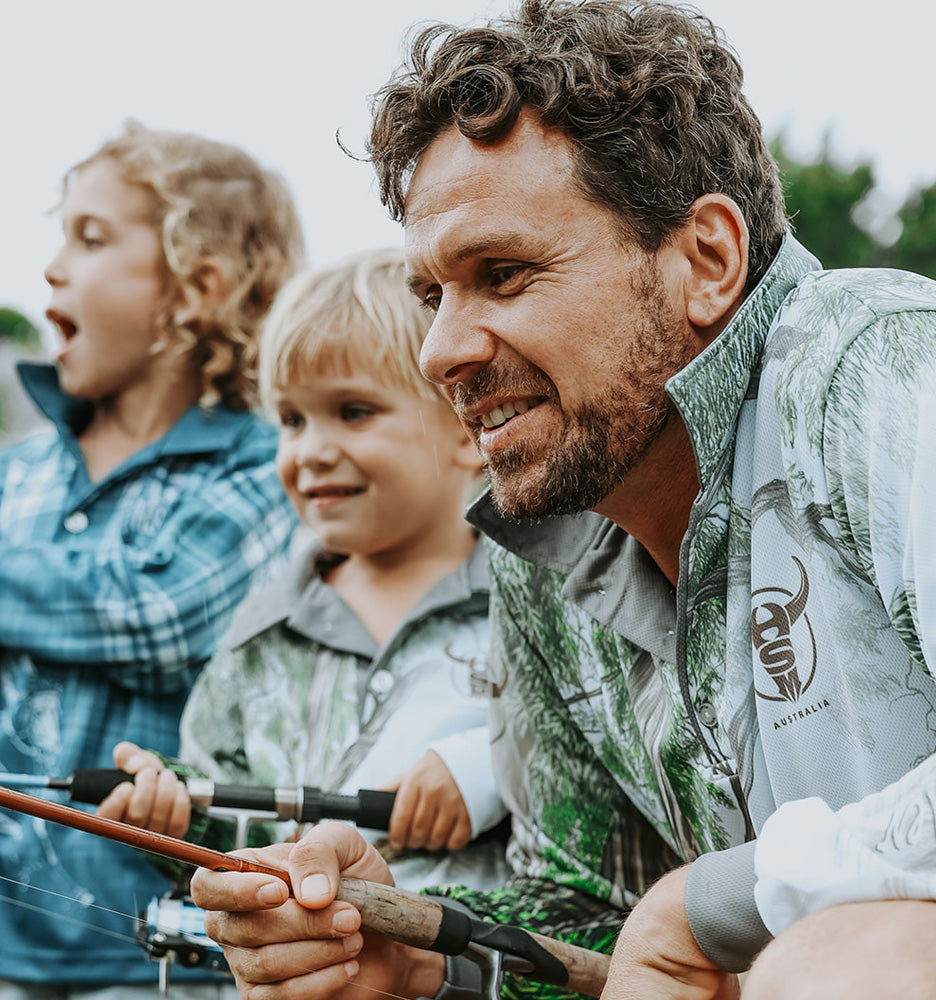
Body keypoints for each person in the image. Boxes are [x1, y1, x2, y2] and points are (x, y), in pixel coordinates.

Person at [187, 2, 936, 999]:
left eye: (502, 274)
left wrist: (719, 900)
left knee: (835, 960)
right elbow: (594, 906)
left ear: (705, 260)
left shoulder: (876, 366)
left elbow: (698, 927)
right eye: (431, 295)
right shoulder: (543, 528)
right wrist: (419, 959)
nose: (440, 352)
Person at [0, 123, 304, 999]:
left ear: (198, 288)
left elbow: (162, 611)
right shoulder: (12, 473)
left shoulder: (257, 468)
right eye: (60, 236)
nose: (55, 267)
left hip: (154, 944)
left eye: (92, 238)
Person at [98, 248, 509, 898]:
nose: (311, 452)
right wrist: (182, 823)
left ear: (466, 429)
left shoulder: (535, 606)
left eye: (353, 411)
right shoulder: (260, 631)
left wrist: (482, 770)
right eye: (291, 420)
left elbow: (591, 768)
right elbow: (238, 831)